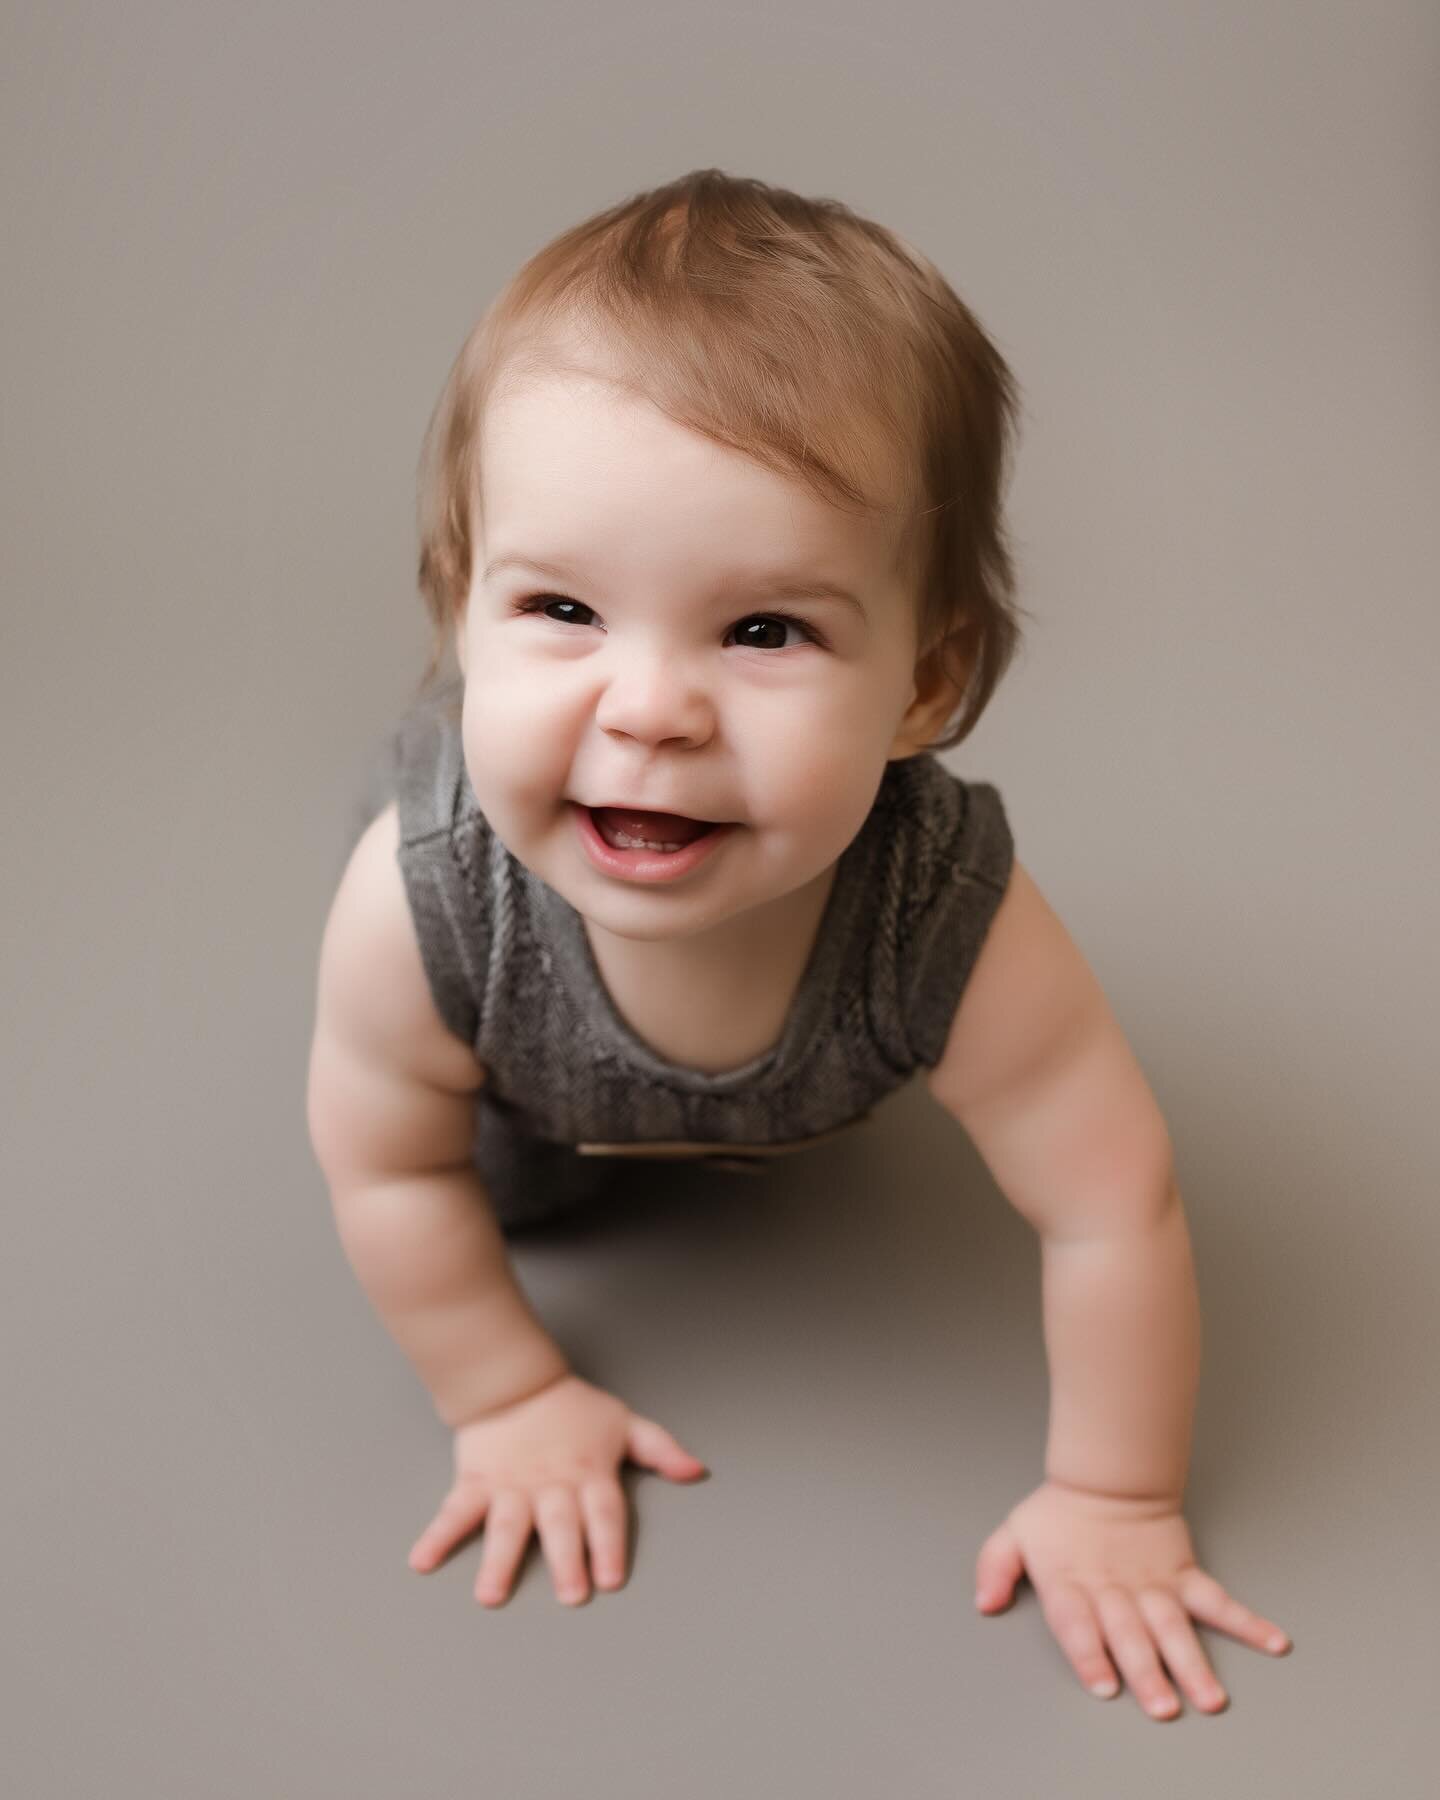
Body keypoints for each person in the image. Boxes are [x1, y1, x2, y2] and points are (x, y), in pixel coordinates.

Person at [306, 168, 1290, 1718]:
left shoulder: (941, 915)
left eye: (764, 630)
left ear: (921, 685)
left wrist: (1115, 1495)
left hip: (804, 1079)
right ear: (459, 608)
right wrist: (505, 1393)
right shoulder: (426, 900)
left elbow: (1114, 1201)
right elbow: (389, 1164)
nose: (648, 708)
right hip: (533, 1099)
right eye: (561, 608)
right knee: (521, 1199)